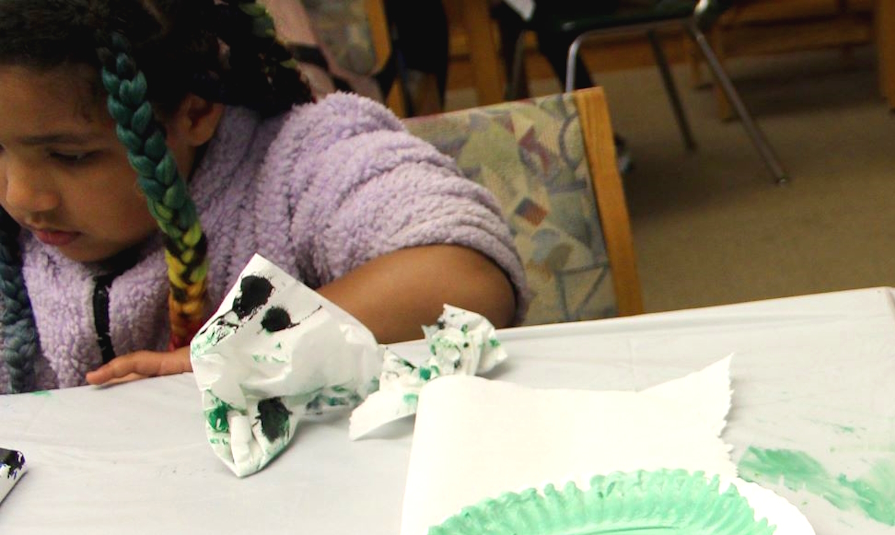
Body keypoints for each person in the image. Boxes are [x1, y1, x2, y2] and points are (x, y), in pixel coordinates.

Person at [0, 0, 526, 394]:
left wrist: (240, 351)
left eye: (70, 157)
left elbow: (467, 280)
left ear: (197, 112)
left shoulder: (298, 160)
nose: (23, 197)